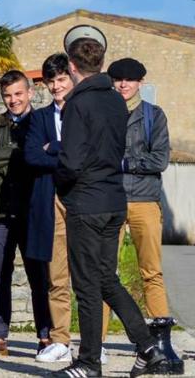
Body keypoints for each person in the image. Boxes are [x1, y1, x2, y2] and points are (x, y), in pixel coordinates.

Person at [51, 32, 165, 378]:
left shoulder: (78, 104)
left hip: (86, 202)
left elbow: (70, 161)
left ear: (71, 66)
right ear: (100, 65)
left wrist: (60, 180)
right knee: (106, 279)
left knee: (87, 286)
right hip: (115, 197)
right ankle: (148, 347)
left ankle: (88, 363)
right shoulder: (117, 101)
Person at [98, 58, 171, 333]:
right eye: (118, 79)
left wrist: (125, 163)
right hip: (110, 199)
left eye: (130, 79)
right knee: (104, 273)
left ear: (141, 82)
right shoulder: (104, 113)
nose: (124, 84)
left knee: (151, 271)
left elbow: (160, 160)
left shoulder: (154, 115)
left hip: (145, 200)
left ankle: (160, 334)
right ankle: (98, 340)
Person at [0, 69, 53, 359]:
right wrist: (29, 152)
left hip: (33, 211)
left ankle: (46, 335)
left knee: (40, 277)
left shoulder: (43, 122)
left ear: (30, 93)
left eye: (18, 94)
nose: (13, 101)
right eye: (7, 96)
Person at [23, 53, 76, 364]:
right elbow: (32, 156)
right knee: (57, 276)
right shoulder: (41, 118)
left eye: (61, 80)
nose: (56, 86)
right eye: (51, 81)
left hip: (82, 199)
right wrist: (63, 151)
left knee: (89, 275)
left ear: (71, 78)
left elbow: (83, 154)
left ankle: (95, 342)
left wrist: (53, 147)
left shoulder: (84, 112)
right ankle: (60, 339)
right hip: (51, 199)